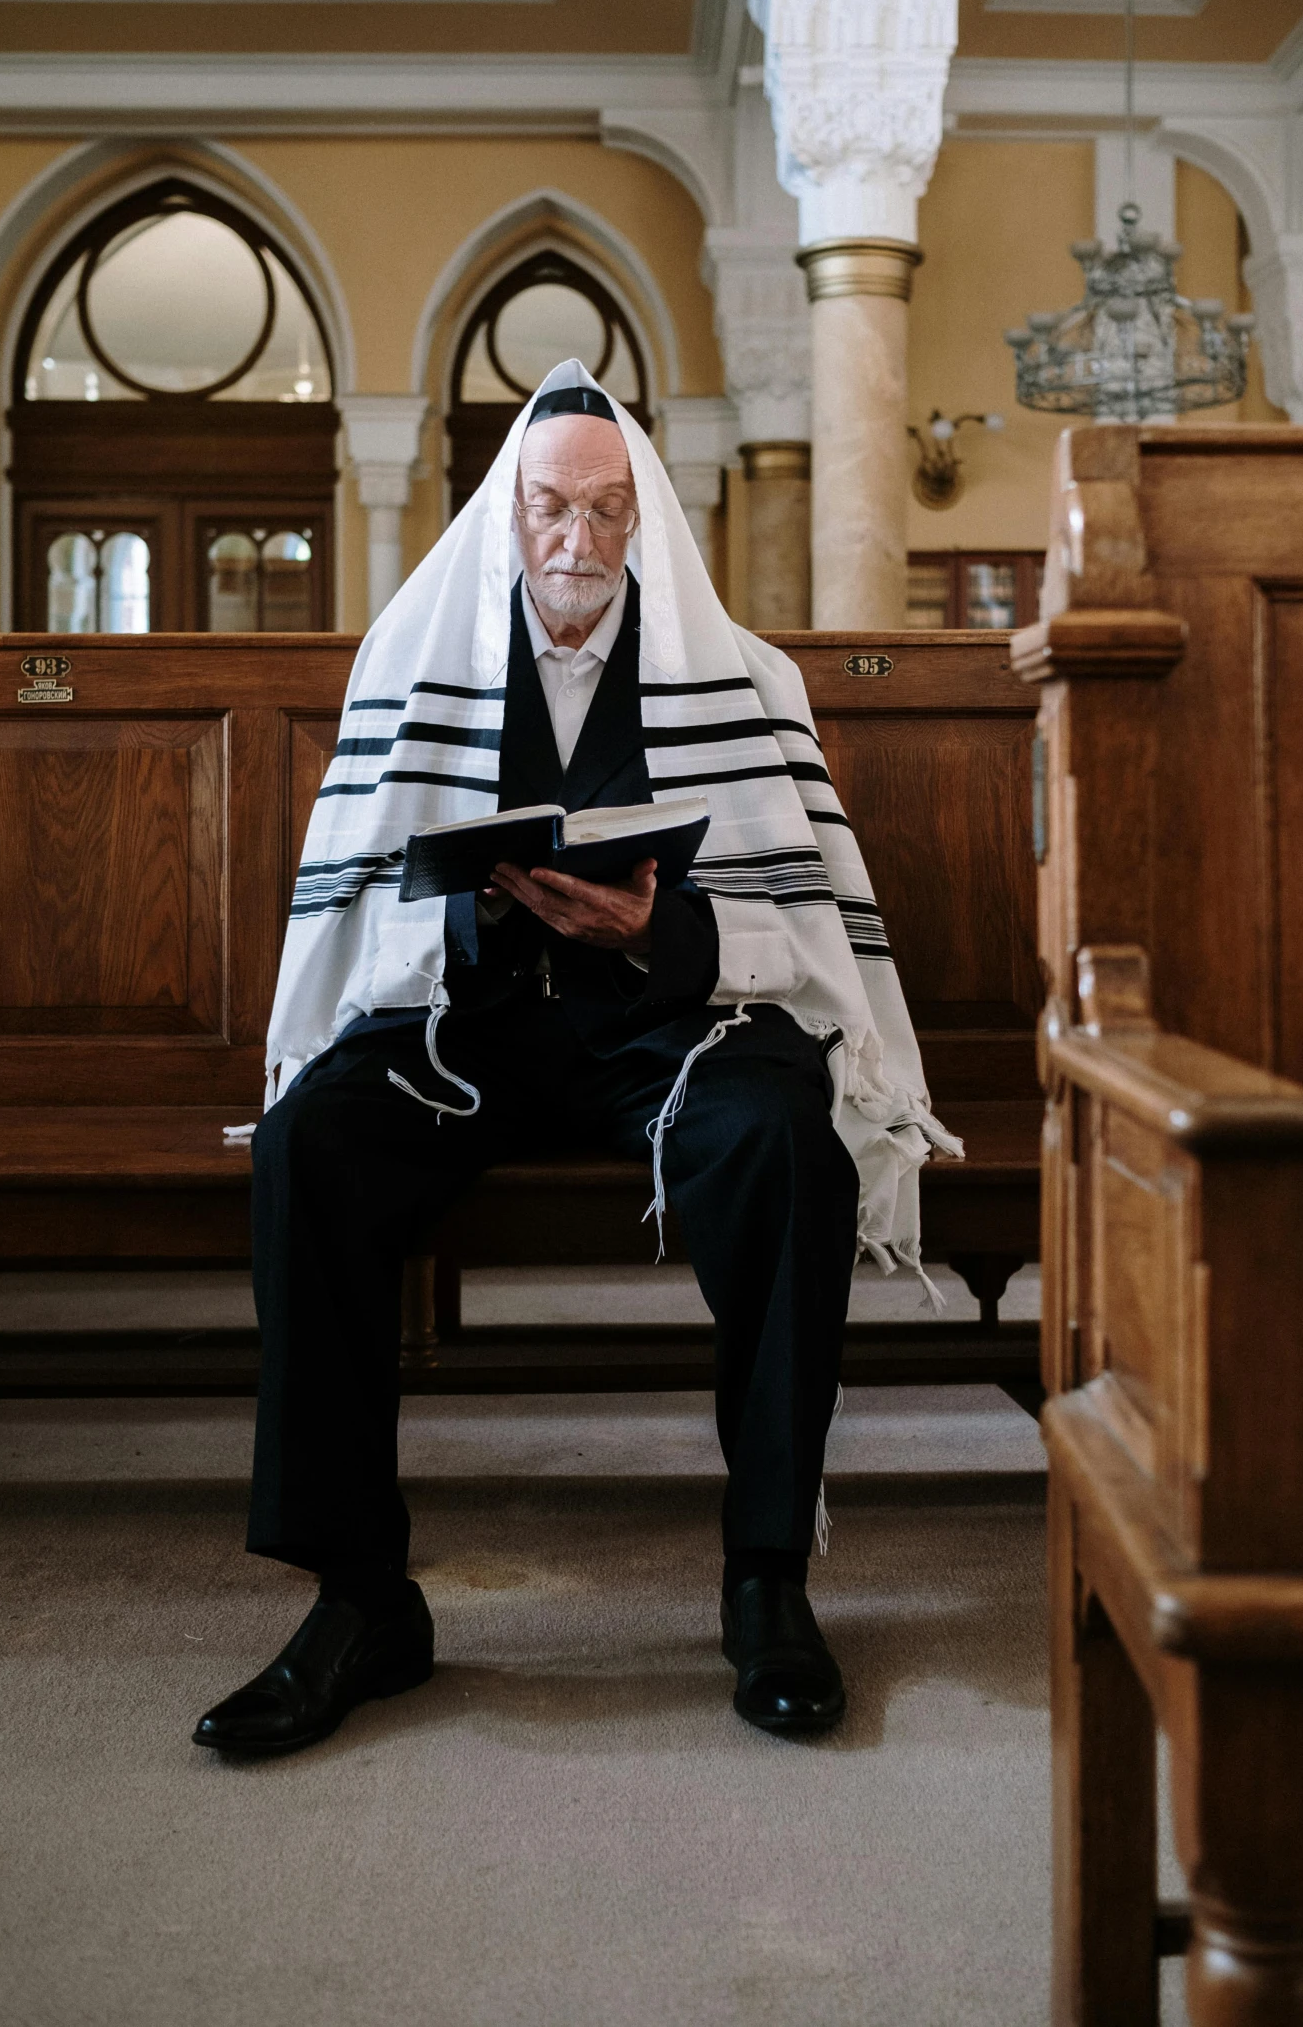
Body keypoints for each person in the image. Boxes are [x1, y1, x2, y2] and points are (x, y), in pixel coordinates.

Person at [193, 362, 957, 1760]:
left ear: (640, 517)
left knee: (784, 1137)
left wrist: (663, 930)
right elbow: (358, 920)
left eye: (607, 512)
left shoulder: (742, 677)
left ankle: (766, 1577)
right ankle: (361, 1598)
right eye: (551, 508)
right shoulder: (413, 661)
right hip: (466, 1027)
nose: (575, 542)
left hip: (674, 1021)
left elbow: (802, 933)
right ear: (509, 513)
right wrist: (471, 911)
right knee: (315, 1141)